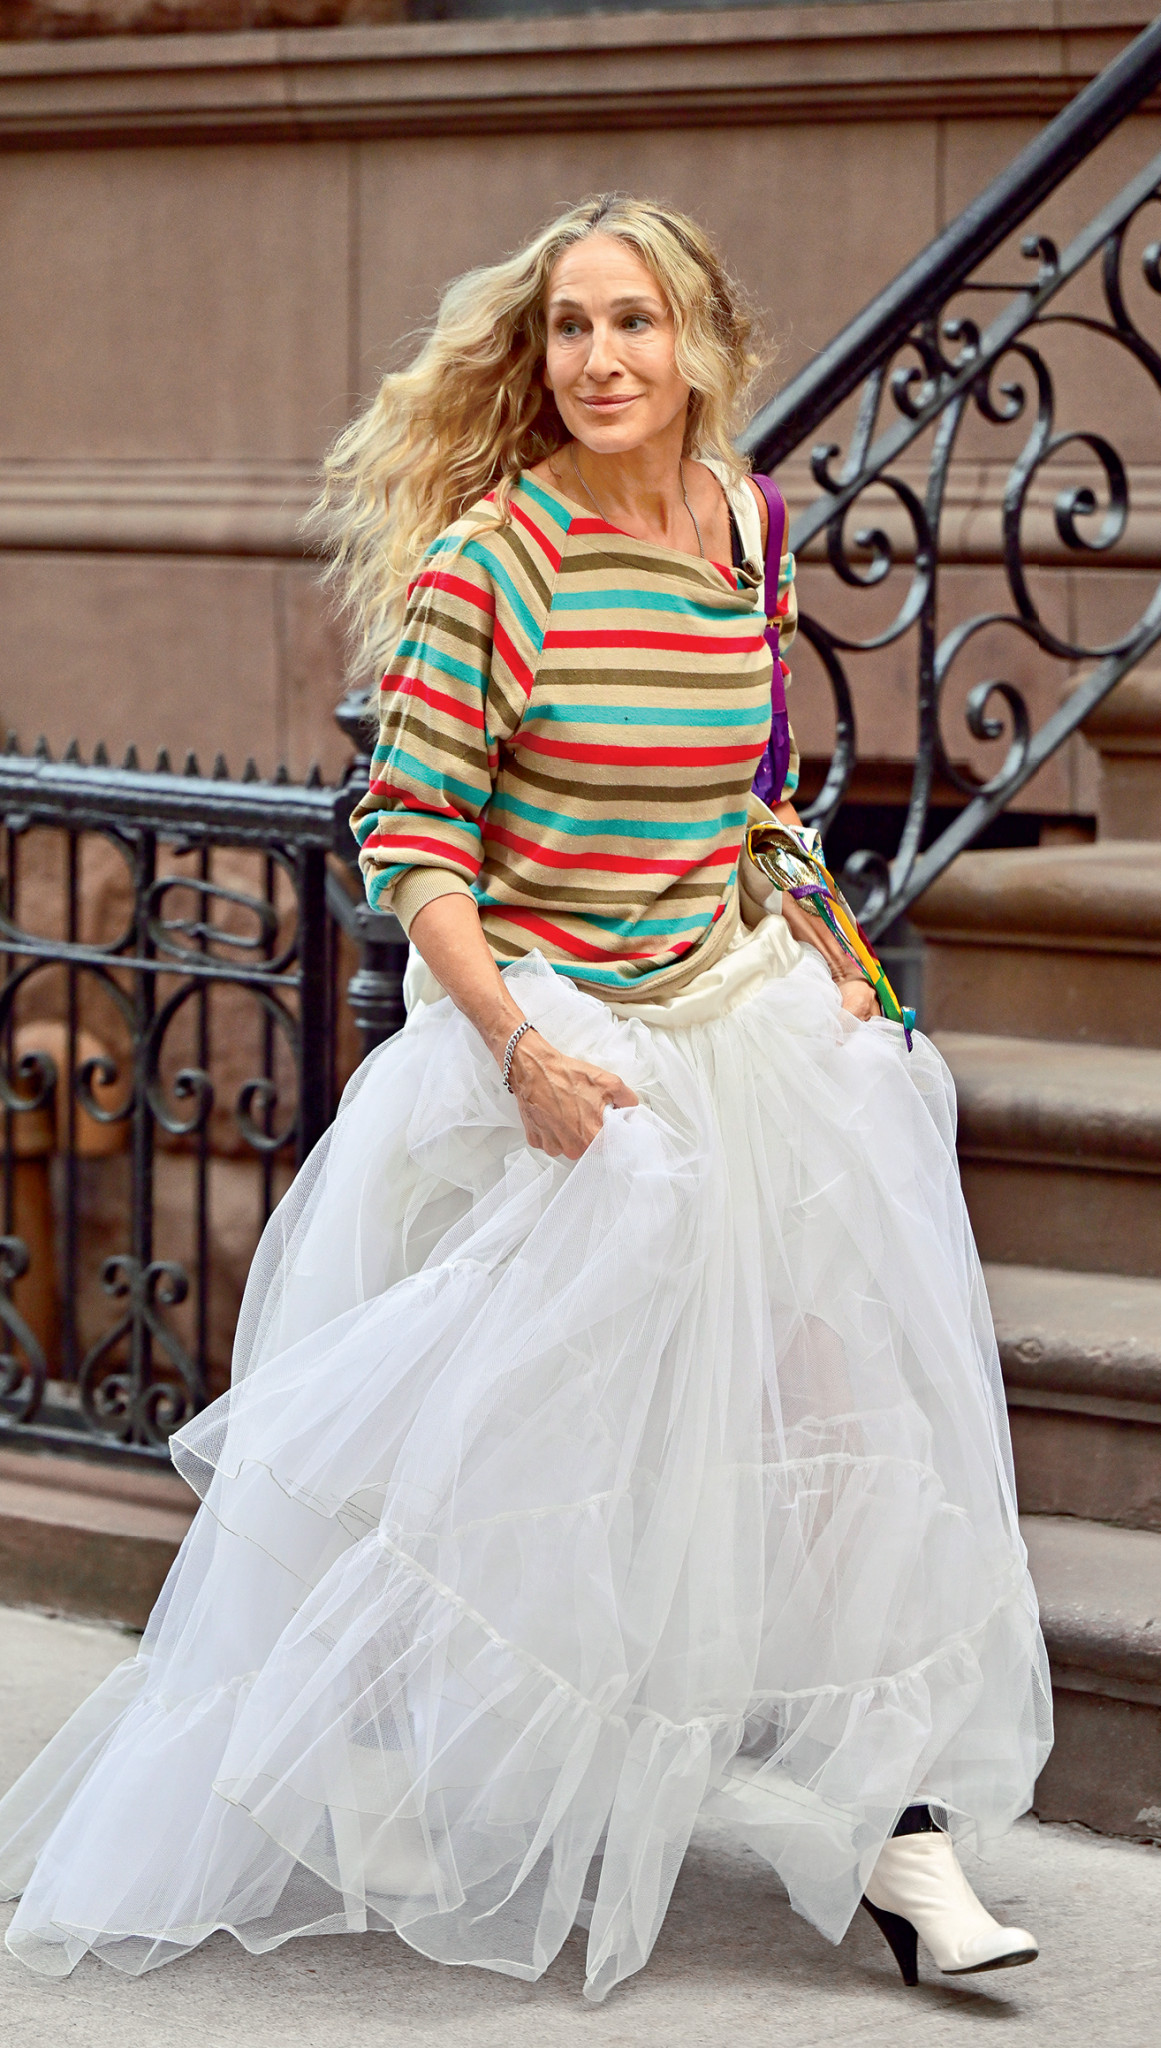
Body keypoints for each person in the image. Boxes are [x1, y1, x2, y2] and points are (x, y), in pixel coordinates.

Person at [0, 195, 1050, 2002]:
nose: (599, 359)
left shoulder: (749, 526)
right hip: (551, 1040)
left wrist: (807, 934)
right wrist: (519, 1051)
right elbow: (411, 839)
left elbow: (749, 790)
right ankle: (396, 1771)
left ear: (703, 343)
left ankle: (900, 1830)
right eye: (570, 327)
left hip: (738, 1024)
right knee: (514, 1470)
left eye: (633, 322)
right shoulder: (499, 559)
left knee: (849, 1421)